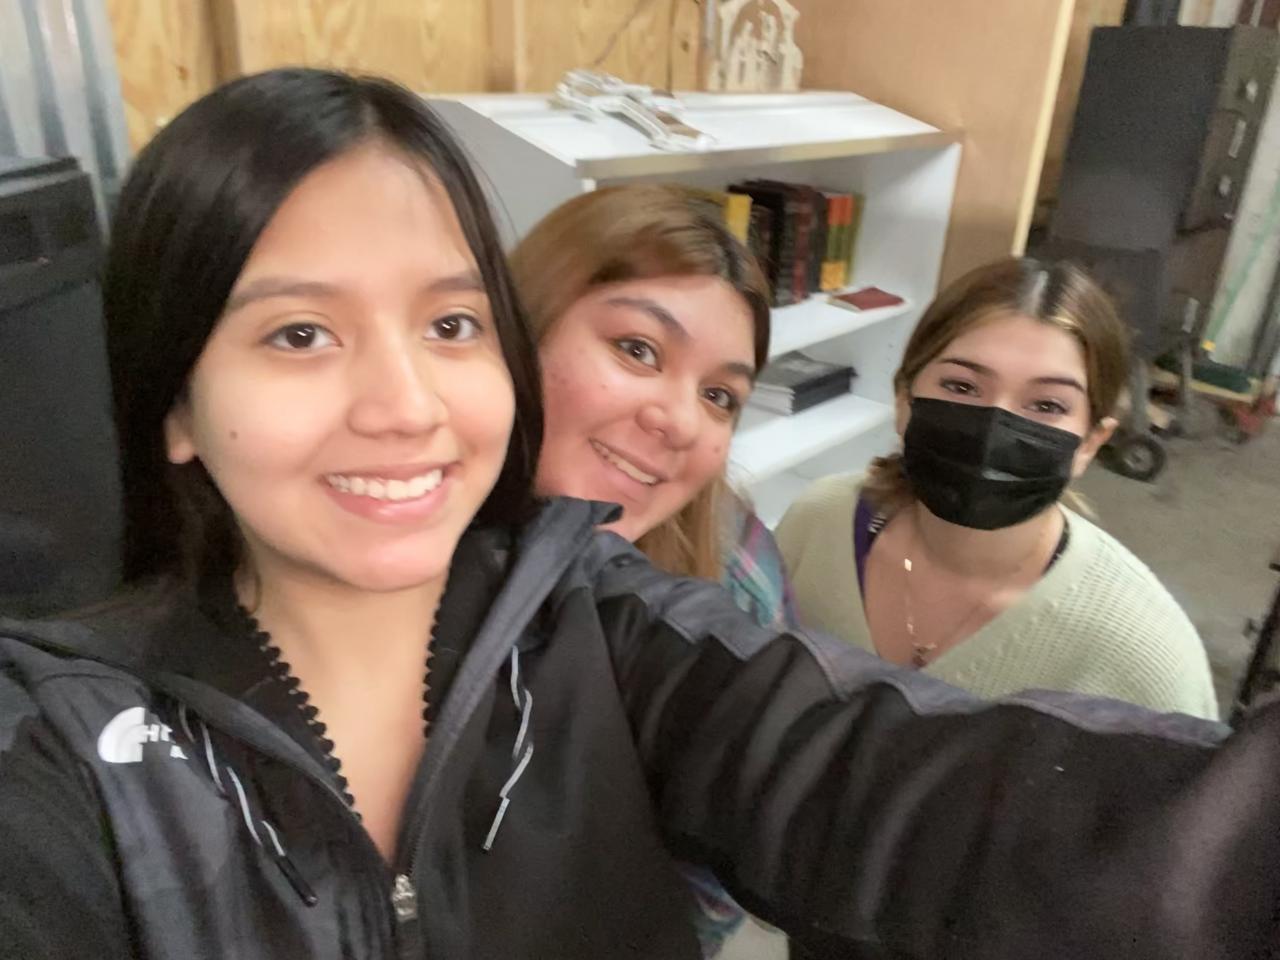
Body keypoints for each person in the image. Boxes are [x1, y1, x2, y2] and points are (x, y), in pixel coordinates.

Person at [1, 69, 1278, 960]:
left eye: (448, 325)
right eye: (298, 333)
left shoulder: (609, 626)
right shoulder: (62, 756)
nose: (403, 405)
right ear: (175, 404)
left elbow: (896, 781)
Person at [511, 184, 795, 954]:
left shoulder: (734, 573)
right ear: (523, 326)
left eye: (719, 396)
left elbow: (719, 877)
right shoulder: (390, 542)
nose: (677, 422)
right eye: (638, 350)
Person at [776, 258, 1218, 718]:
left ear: (1090, 442)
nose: (993, 429)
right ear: (904, 401)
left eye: (1047, 405)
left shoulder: (1147, 658)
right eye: (961, 386)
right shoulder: (817, 525)